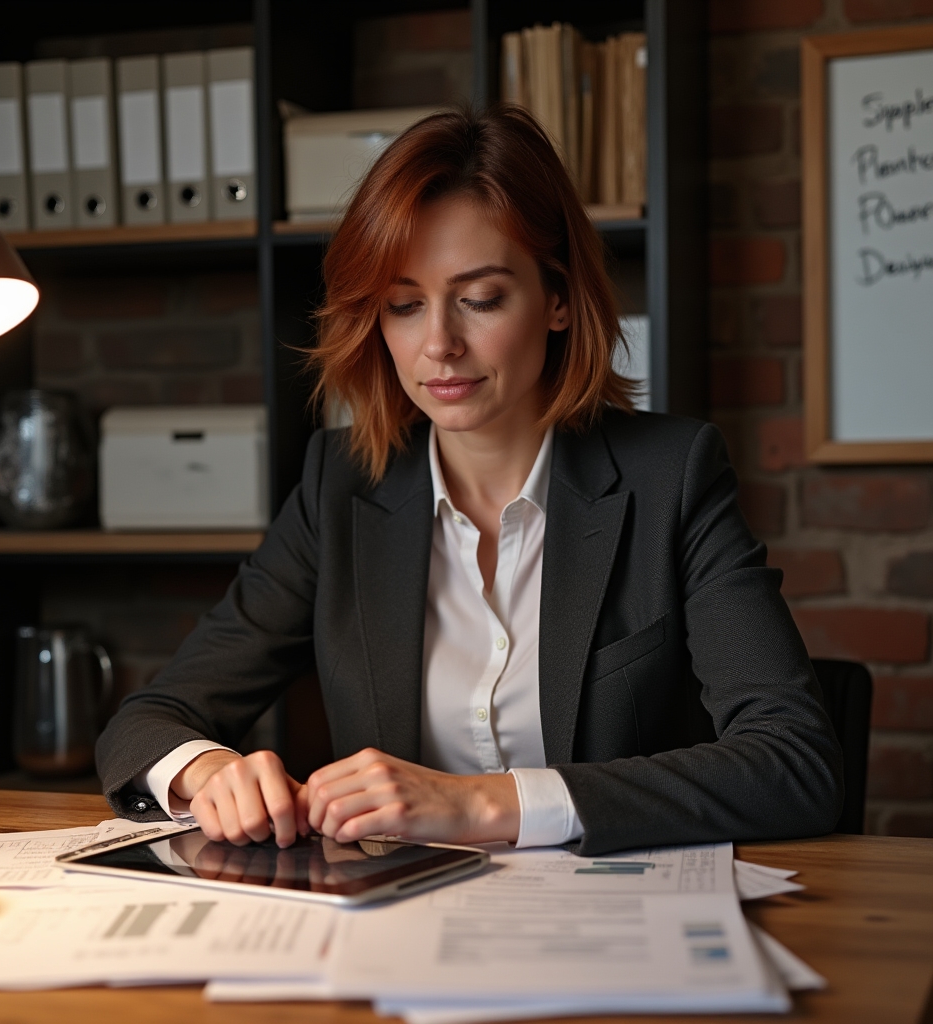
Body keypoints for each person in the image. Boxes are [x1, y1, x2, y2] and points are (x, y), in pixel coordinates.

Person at [96, 106, 843, 856]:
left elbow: (794, 762)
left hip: (610, 930)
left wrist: (483, 804)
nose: (440, 344)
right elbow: (147, 720)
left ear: (557, 299)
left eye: (480, 299)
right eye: (404, 305)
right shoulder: (341, 486)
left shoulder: (672, 477)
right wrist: (208, 768)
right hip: (400, 927)